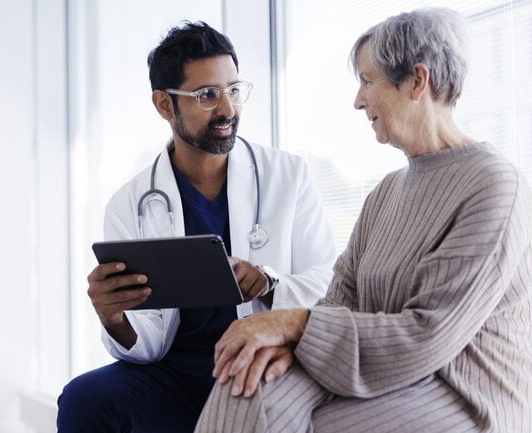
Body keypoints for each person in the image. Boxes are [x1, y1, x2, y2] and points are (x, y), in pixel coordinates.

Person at [195, 8, 532, 433]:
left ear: (417, 80)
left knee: (311, 421)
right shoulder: (386, 193)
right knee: (245, 385)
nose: (358, 100)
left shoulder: (493, 187)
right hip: (389, 375)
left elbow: (427, 334)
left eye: (367, 80)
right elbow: (340, 301)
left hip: (467, 393)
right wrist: (291, 341)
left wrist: (294, 325)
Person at [56, 21, 336, 433]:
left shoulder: (288, 176)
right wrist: (114, 319)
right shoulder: (129, 205)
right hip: (175, 372)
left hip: (259, 358)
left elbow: (328, 285)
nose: (227, 109)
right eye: (207, 95)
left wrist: (268, 283)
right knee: (84, 399)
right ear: (164, 105)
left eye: (233, 90)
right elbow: (148, 346)